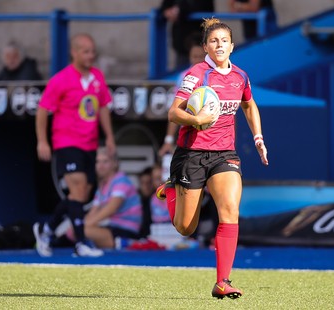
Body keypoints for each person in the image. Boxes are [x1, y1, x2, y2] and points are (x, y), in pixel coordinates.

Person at [155, 18, 268, 299]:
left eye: (224, 41)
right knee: (185, 227)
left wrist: (258, 139)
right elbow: (173, 113)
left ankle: (222, 282)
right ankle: (172, 190)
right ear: (205, 45)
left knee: (230, 209)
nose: (219, 45)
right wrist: (197, 118)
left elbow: (249, 104)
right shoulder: (197, 74)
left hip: (224, 154)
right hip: (191, 154)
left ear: (232, 45)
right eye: (213, 41)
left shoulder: (240, 75)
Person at [33, 33, 116, 257]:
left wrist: (108, 136)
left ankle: (46, 229)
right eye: (86, 52)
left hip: (89, 143)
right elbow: (42, 110)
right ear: (74, 52)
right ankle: (80, 244)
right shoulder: (60, 80)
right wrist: (42, 141)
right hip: (66, 141)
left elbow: (103, 107)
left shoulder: (97, 77)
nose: (91, 56)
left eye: (92, 52)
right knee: (78, 189)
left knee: (81, 194)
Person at [82, 147, 143, 249]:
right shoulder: (102, 186)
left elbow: (111, 208)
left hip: (126, 230)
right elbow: (94, 211)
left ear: (114, 164)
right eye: (98, 162)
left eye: (105, 161)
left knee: (83, 231)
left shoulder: (121, 179)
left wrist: (85, 225)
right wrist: (82, 224)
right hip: (110, 227)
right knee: (77, 230)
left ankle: (126, 243)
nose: (100, 166)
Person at [158, 0, 214, 69]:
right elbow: (164, 7)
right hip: (181, 42)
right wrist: (166, 11)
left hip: (200, 39)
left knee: (203, 70)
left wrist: (179, 10)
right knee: (181, 71)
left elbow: (203, 6)